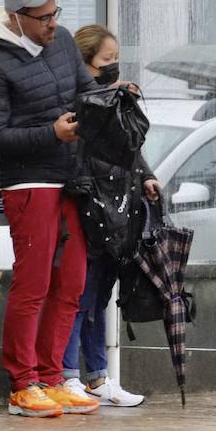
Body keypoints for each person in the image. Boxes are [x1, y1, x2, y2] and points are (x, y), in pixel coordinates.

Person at [0, 0, 102, 418]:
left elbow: (87, 93)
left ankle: (51, 376)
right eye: (43, 18)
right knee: (34, 283)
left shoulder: (62, 41)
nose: (52, 24)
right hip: (29, 183)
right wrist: (51, 133)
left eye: (55, 14)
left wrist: (111, 99)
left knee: (72, 281)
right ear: (16, 18)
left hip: (72, 178)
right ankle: (22, 383)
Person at [59, 25, 160, 407]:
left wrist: (146, 176)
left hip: (116, 206)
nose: (114, 68)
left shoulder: (114, 98)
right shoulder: (79, 100)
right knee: (78, 294)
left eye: (116, 60)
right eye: (107, 61)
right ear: (86, 63)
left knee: (98, 294)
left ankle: (98, 375)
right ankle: (69, 374)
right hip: (88, 204)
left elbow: (128, 148)